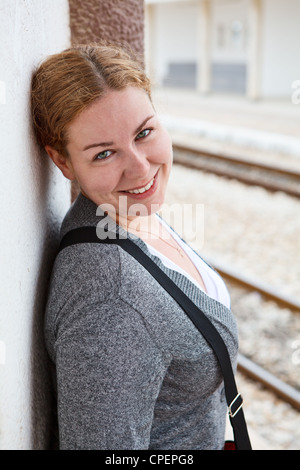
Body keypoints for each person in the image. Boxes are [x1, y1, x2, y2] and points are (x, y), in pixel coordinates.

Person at [31, 42, 238, 450]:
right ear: (63, 163)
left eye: (144, 133)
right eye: (104, 153)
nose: (141, 168)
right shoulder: (110, 301)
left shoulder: (128, 213)